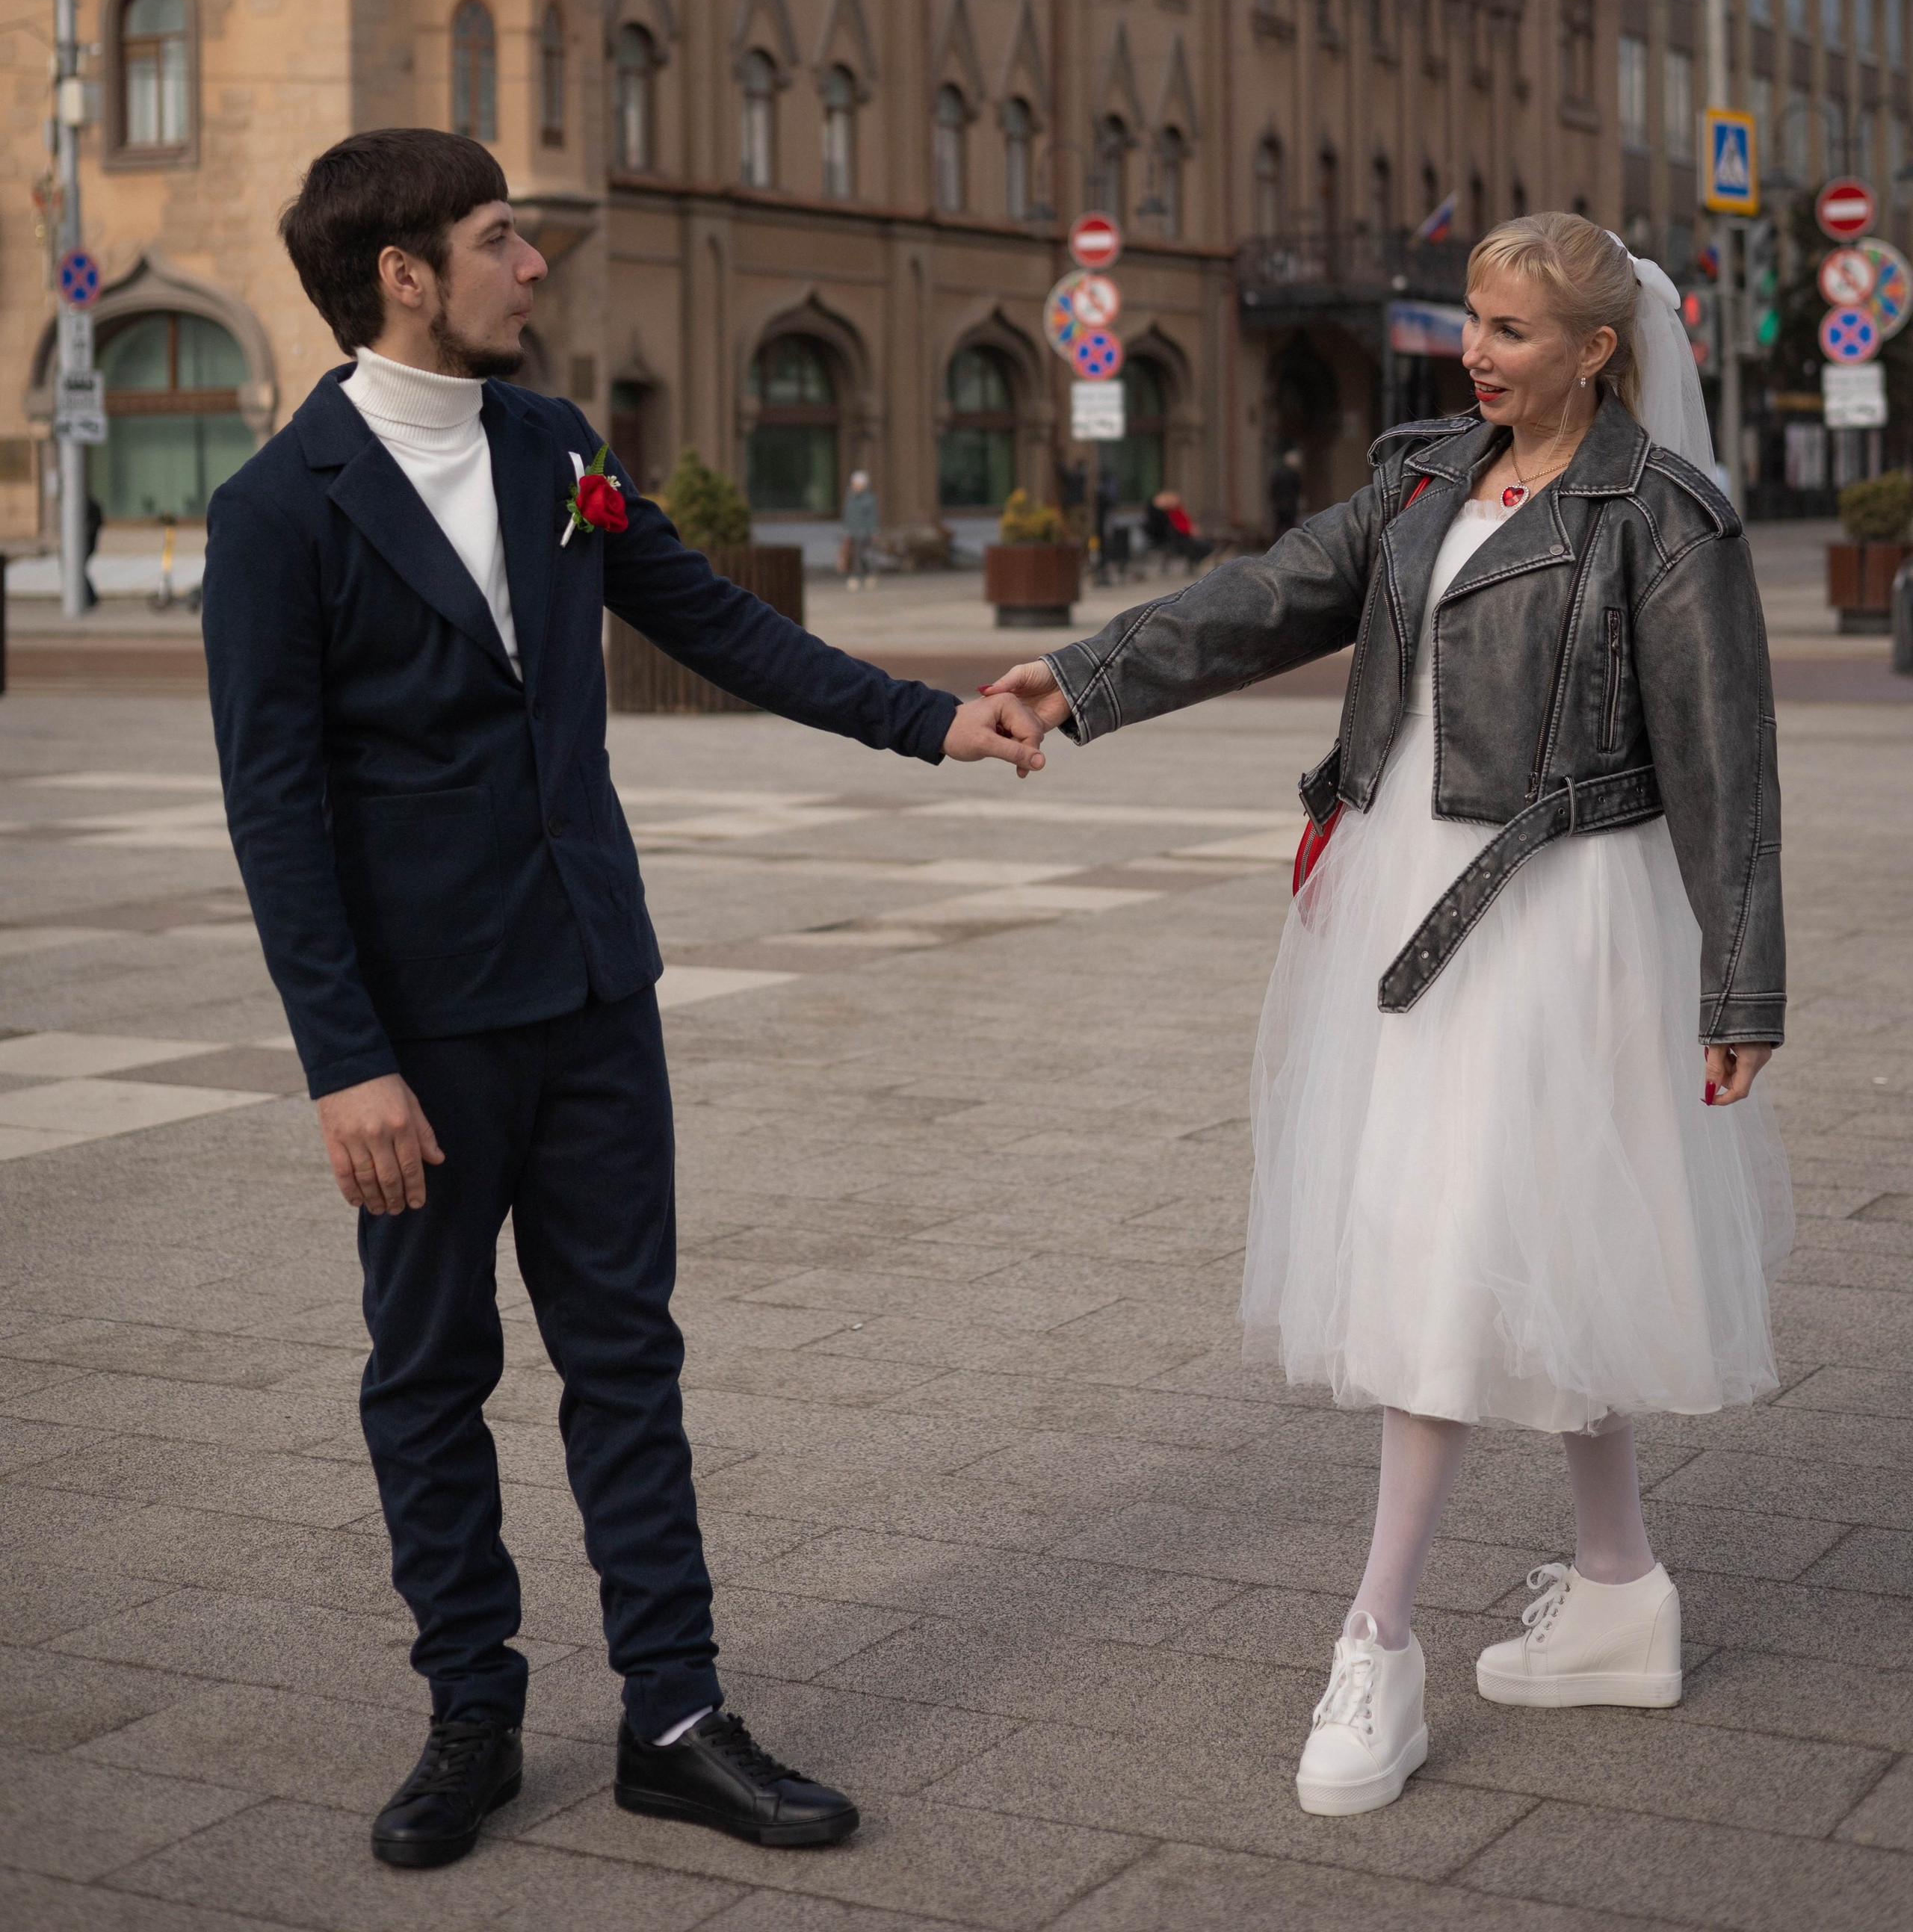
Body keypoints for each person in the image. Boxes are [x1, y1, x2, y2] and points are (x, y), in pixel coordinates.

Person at [204, 131, 1046, 1874]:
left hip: (593, 991)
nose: (537, 261)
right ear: (403, 276)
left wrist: (930, 718)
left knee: (627, 1355)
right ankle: (470, 1711)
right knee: (429, 1369)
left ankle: (672, 1713)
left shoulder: (554, 444)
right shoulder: (280, 510)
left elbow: (710, 623)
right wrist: (344, 1060)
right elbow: (274, 807)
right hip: (418, 1041)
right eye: (503, 238)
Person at [988, 213, 1790, 1818]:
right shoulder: (1425, 469)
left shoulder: (1662, 512)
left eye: (1507, 330)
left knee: (1447, 1240)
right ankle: (1620, 1590)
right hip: (1397, 886)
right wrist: (1082, 681)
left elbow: (1723, 759)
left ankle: (1378, 1639)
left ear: (1594, 351)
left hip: (1552, 910)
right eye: (1469, 322)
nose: (1471, 350)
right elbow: (1277, 591)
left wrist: (1739, 983)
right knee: (1528, 1238)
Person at [842, 467, 880, 589]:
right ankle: (862, 576)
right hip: (853, 532)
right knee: (857, 556)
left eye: (859, 484)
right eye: (855, 484)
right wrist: (847, 531)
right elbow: (848, 516)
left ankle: (861, 576)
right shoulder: (850, 499)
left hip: (865, 533)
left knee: (863, 555)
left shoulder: (869, 500)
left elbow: (872, 518)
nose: (857, 487)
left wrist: (874, 532)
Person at [1268, 445, 1304, 540]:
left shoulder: (1278, 473)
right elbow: (1297, 489)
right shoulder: (1293, 475)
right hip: (1290, 505)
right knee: (1290, 527)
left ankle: (1276, 544)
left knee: (1279, 527)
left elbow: (1273, 488)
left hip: (1280, 504)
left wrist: (1274, 501)